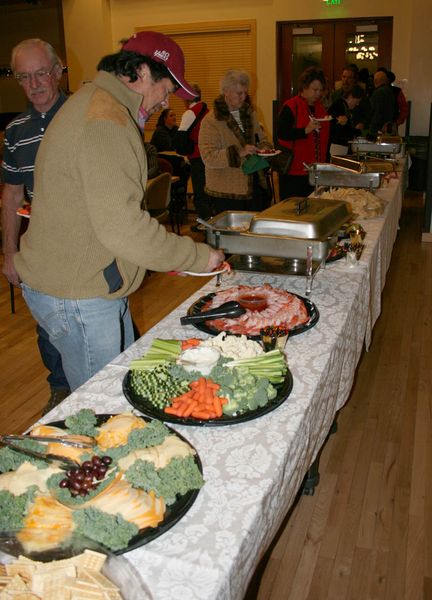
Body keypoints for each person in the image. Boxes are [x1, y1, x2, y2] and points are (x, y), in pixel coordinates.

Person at [14, 31, 224, 392]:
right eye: (166, 90)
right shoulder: (106, 120)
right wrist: (198, 256)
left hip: (79, 283)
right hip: (78, 294)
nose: (164, 103)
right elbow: (124, 228)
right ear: (141, 72)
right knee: (104, 402)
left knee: (124, 383)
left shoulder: (94, 102)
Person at [1, 38, 71, 414]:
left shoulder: (84, 116)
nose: (35, 84)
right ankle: (60, 389)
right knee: (48, 328)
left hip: (89, 250)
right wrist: (9, 253)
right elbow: (11, 195)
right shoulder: (16, 131)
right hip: (42, 251)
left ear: (58, 71)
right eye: (24, 77)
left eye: (41, 73)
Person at [198, 69, 272, 215]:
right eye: (239, 93)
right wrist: (239, 152)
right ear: (226, 92)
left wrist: (264, 149)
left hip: (254, 186)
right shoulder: (211, 120)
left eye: (245, 93)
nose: (244, 97)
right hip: (227, 191)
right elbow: (208, 157)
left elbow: (262, 139)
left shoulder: (250, 113)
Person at [277, 66, 330, 199]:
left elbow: (325, 140)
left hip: (316, 172)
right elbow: (282, 133)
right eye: (315, 90)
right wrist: (305, 130)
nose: (318, 94)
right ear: (304, 88)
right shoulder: (291, 106)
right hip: (293, 171)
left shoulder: (321, 109)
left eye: (320, 90)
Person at [174, 83, 209, 221]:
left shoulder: (190, 113)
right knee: (207, 190)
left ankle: (203, 222)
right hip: (207, 154)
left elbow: (180, 138)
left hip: (196, 156)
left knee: (199, 191)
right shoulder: (207, 110)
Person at [328, 84, 365, 156]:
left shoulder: (342, 105)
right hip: (336, 146)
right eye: (357, 101)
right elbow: (341, 130)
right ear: (350, 96)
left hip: (338, 146)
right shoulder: (340, 106)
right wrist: (357, 131)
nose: (357, 104)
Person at [368, 69, 397, 137]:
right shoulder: (390, 92)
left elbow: (374, 112)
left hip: (376, 129)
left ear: (375, 81)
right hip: (387, 127)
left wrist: (371, 131)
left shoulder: (377, 93)